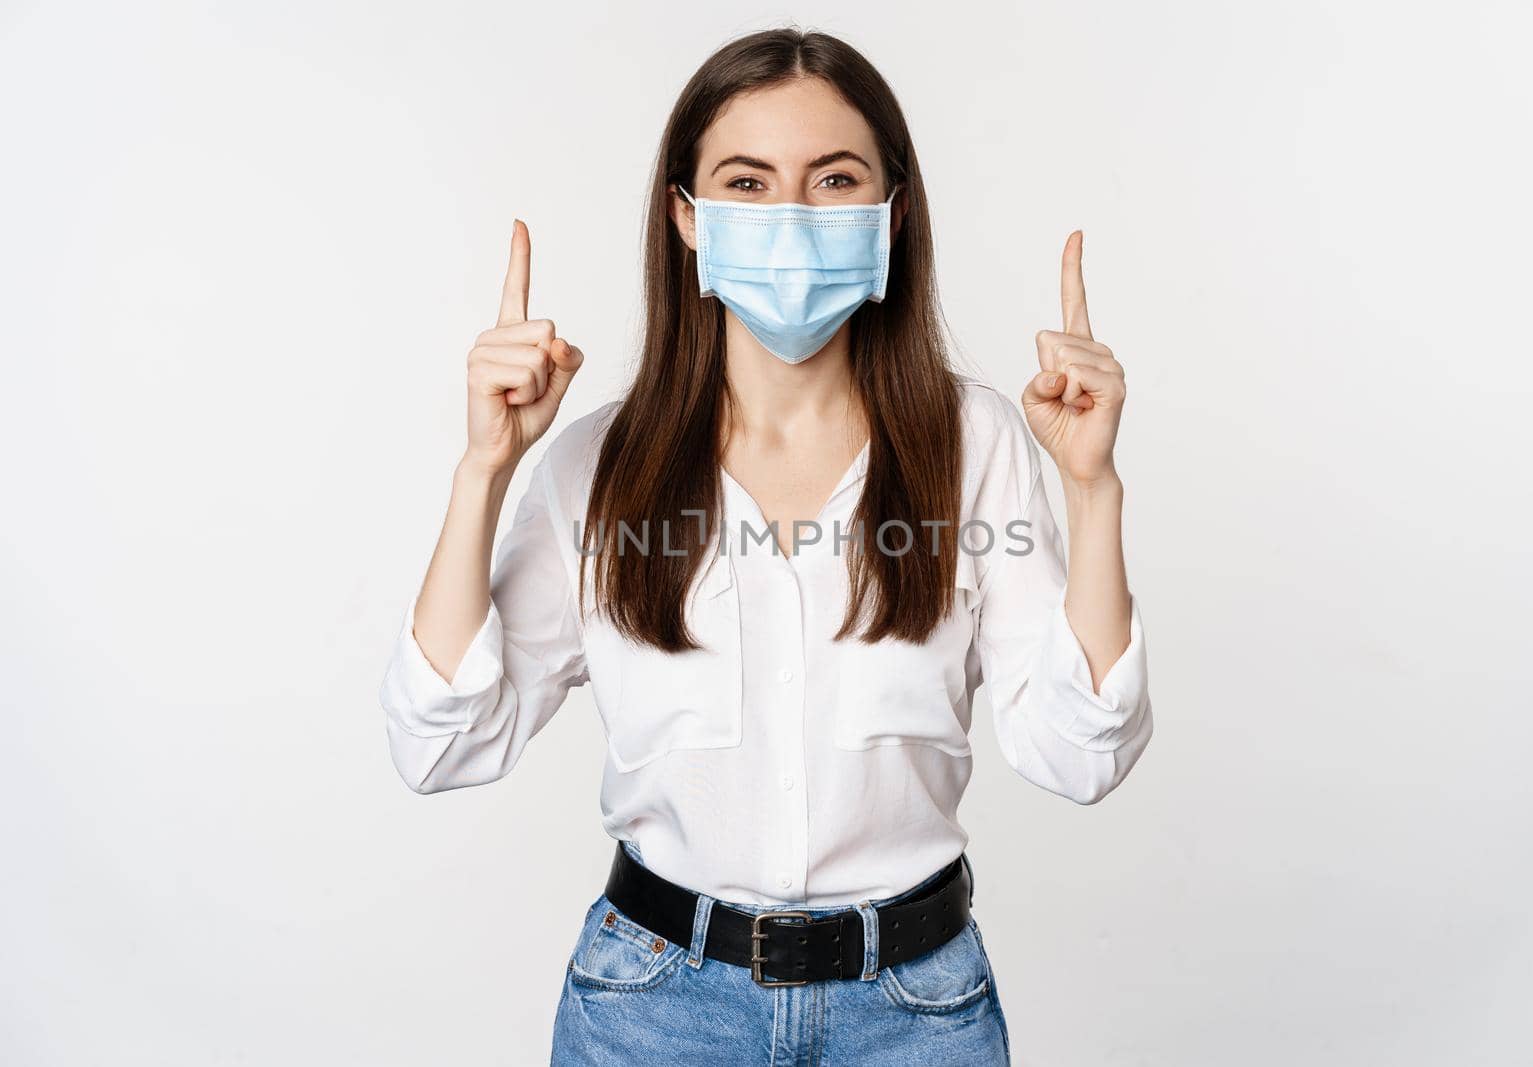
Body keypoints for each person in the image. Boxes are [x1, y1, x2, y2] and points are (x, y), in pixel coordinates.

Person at [379, 26, 1153, 1066]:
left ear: (893, 210)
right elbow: (441, 744)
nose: (790, 216)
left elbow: (1080, 751)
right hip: (652, 1007)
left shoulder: (974, 446)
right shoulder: (597, 465)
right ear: (686, 217)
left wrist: (1092, 486)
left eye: (835, 178)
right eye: (747, 181)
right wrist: (484, 470)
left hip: (915, 1011)